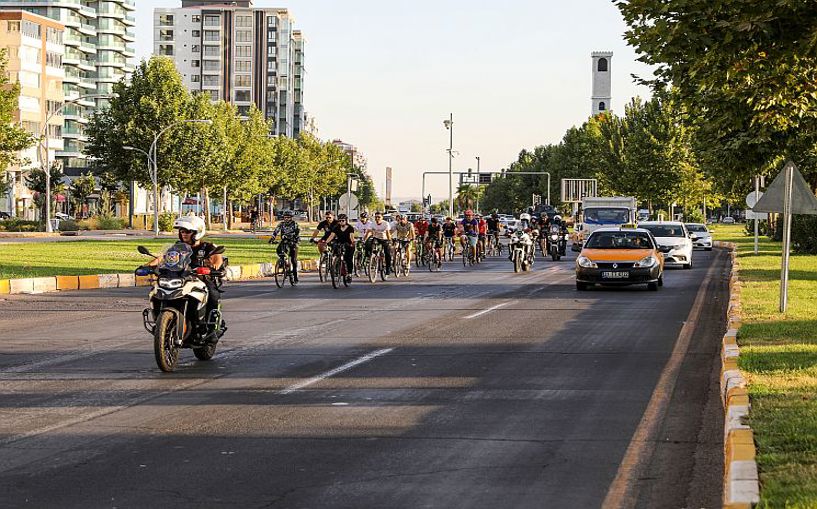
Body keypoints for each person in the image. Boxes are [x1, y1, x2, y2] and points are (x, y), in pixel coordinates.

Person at [146, 216, 225, 334]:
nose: (184, 234)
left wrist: (213, 267)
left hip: (200, 279)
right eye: (182, 231)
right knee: (156, 292)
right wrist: (148, 266)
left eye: (187, 231)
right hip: (179, 277)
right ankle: (160, 324)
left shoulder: (208, 247)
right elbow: (162, 258)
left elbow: (218, 260)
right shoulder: (176, 247)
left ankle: (212, 328)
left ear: (197, 232)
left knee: (213, 294)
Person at [269, 210, 301, 282]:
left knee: (293, 259)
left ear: (291, 218)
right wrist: (272, 238)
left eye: (288, 217)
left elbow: (297, 232)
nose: (286, 219)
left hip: (294, 241)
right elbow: (276, 231)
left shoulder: (295, 224)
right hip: (285, 240)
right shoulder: (281, 224)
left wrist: (294, 238)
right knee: (278, 250)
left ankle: (295, 275)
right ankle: (283, 263)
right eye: (285, 217)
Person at [324, 213, 356, 283]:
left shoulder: (350, 227)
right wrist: (326, 242)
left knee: (348, 259)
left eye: (343, 220)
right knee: (335, 251)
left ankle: (349, 274)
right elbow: (331, 236)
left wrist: (352, 243)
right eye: (340, 221)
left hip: (348, 244)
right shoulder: (336, 227)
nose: (341, 222)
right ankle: (336, 266)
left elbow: (351, 237)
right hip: (339, 243)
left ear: (346, 221)